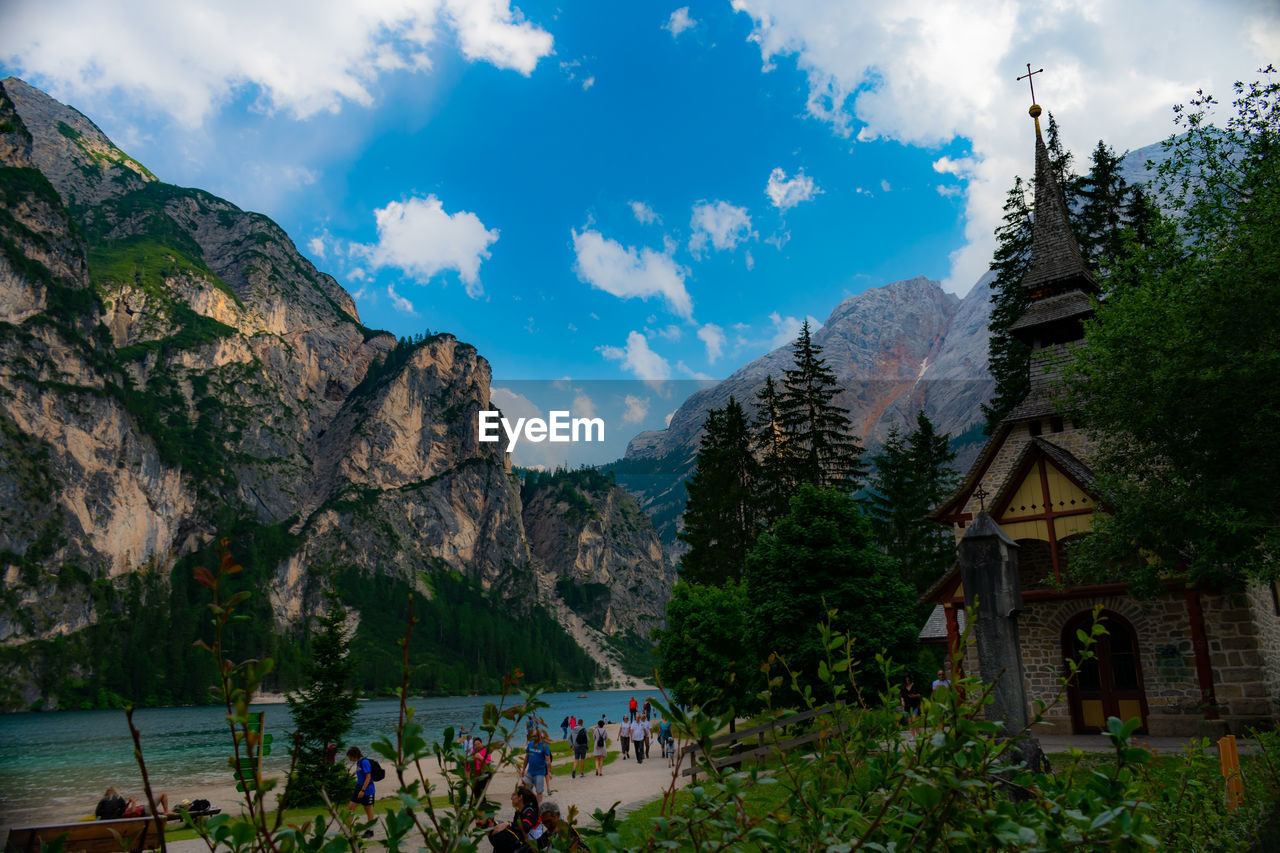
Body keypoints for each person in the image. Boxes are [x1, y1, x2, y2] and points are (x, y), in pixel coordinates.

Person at [346, 746, 376, 838]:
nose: (349, 759)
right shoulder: (358, 762)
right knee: (350, 808)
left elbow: (368, 777)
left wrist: (363, 790)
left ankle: (370, 830)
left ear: (354, 755)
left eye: (350, 757)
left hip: (367, 789)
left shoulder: (364, 762)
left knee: (368, 809)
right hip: (358, 788)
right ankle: (347, 830)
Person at [521, 732, 553, 805]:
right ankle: (527, 806)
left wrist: (549, 772)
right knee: (525, 790)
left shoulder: (545, 746)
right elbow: (526, 757)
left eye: (535, 736)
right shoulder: (530, 744)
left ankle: (537, 808)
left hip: (540, 773)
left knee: (539, 792)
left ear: (540, 737)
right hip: (530, 772)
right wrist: (523, 769)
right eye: (533, 736)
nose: (533, 737)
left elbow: (548, 760)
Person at [469, 736, 494, 803]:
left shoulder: (485, 750)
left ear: (481, 743)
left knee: (481, 791)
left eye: (478, 744)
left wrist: (481, 757)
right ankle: (478, 805)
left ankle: (483, 804)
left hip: (484, 773)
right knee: (475, 791)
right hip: (475, 774)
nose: (477, 746)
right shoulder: (474, 751)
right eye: (475, 745)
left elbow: (489, 762)